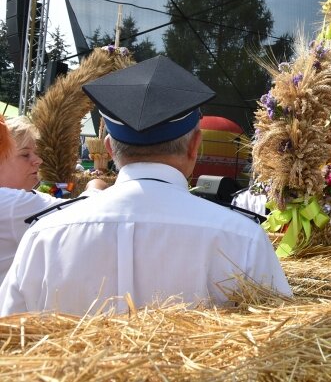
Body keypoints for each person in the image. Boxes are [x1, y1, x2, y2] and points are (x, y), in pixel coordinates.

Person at [0, 56, 291, 316]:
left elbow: (10, 347)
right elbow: (280, 351)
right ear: (195, 147)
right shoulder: (243, 238)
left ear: (109, 149)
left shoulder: (43, 236)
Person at [0, 115, 106, 282]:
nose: (38, 160)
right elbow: (88, 210)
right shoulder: (12, 204)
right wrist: (95, 186)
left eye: (36, 153)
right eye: (25, 155)